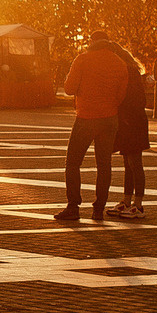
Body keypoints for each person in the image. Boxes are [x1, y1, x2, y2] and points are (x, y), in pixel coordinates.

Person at [54, 32, 128, 224]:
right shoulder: (119, 62)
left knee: (72, 162)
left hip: (86, 116)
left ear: (92, 42)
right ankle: (98, 208)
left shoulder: (83, 59)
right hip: (110, 118)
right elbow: (122, 95)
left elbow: (69, 88)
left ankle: (73, 206)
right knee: (104, 165)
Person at [108, 40, 151, 219]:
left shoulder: (129, 72)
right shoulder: (125, 71)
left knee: (135, 163)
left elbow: (137, 100)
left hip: (133, 122)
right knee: (128, 164)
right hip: (128, 122)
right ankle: (127, 200)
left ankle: (138, 205)